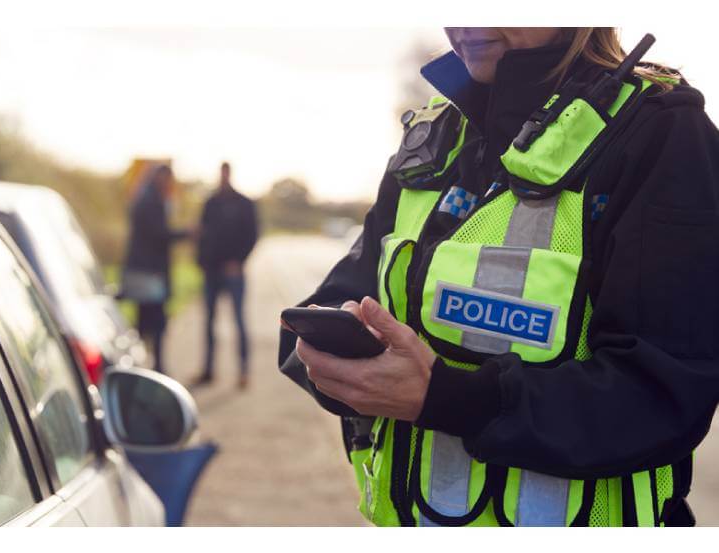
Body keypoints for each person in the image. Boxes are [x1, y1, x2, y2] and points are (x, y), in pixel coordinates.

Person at [278, 27, 719, 526]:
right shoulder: (434, 134)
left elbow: (663, 395)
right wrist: (335, 359)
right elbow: (338, 299)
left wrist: (444, 397)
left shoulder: (661, 133)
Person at [195, 162, 258, 389]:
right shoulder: (210, 202)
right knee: (209, 322)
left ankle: (243, 372)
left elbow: (252, 236)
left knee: (239, 321)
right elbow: (201, 233)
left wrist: (238, 262)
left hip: (234, 272)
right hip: (211, 271)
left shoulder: (244, 204)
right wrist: (200, 262)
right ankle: (208, 370)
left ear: (230, 174)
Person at [121, 164, 188, 373]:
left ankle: (144, 367)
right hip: (150, 273)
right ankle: (153, 368)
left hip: (145, 271)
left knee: (146, 321)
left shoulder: (146, 198)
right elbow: (160, 235)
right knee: (154, 323)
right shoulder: (152, 202)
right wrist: (186, 233)